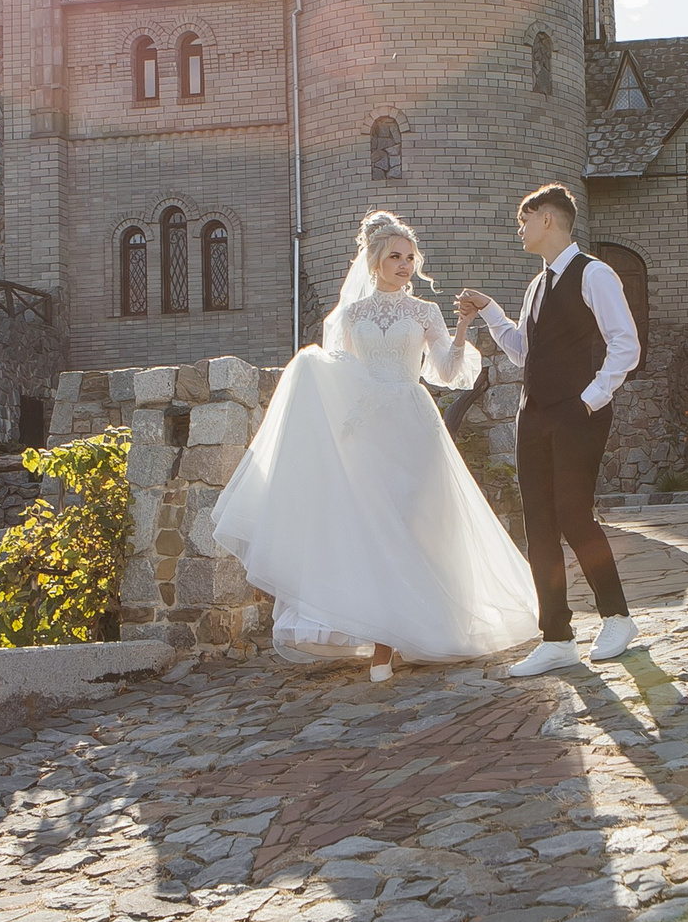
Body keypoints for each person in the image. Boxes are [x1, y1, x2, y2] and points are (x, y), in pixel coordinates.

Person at [211, 211, 540, 682]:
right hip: (366, 431)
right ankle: (383, 642)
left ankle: (414, 632)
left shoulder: (424, 312)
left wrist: (463, 325)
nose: (404, 265)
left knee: (418, 523)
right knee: (374, 528)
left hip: (413, 423)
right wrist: (314, 376)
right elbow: (341, 369)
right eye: (395, 257)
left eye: (410, 257)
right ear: (375, 261)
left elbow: (447, 372)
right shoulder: (350, 315)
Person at [454, 183, 641, 677]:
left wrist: (589, 399)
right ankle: (556, 636)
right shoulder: (536, 285)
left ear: (548, 220)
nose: (520, 229)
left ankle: (618, 618)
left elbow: (626, 344)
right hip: (532, 416)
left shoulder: (594, 273)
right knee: (538, 526)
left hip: (578, 414)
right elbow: (523, 350)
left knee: (574, 517)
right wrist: (490, 311)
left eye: (524, 219)